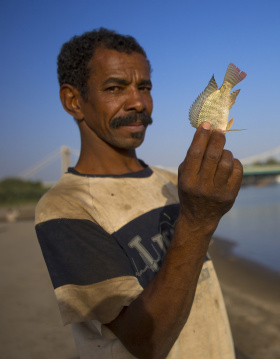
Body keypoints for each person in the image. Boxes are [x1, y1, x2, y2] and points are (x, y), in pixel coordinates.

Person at [35, 28, 243, 359]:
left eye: (144, 87)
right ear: (73, 101)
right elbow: (146, 343)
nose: (137, 102)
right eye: (115, 88)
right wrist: (197, 221)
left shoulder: (169, 180)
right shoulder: (63, 208)